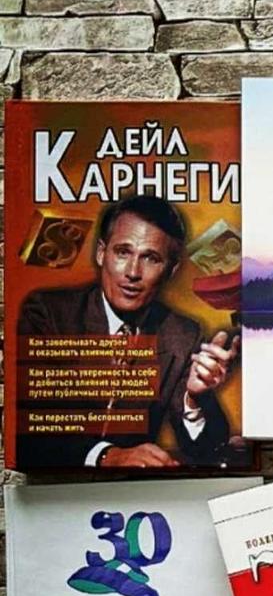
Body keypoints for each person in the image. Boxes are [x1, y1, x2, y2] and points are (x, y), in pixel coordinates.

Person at [16, 193, 236, 469]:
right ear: (101, 253)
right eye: (123, 252)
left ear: (171, 270)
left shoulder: (182, 334)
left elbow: (207, 448)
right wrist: (106, 456)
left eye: (151, 258)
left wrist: (195, 398)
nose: (133, 272)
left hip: (132, 489)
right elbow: (29, 427)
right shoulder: (48, 314)